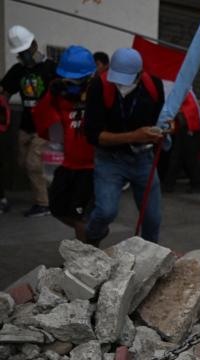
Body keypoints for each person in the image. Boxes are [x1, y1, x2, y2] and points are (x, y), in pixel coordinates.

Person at [84, 47, 165, 245]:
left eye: (126, 79)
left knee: (152, 218)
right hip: (109, 160)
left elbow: (159, 121)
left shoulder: (153, 86)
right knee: (105, 211)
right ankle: (92, 239)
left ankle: (152, 257)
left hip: (143, 160)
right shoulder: (98, 85)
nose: (120, 84)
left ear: (139, 75)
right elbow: (94, 136)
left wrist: (162, 130)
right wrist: (134, 136)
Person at [32, 46, 96, 241]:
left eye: (77, 78)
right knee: (57, 208)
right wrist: (51, 95)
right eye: (68, 78)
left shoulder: (98, 91)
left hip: (91, 166)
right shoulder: (59, 93)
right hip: (67, 162)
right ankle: (91, 234)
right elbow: (43, 120)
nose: (72, 82)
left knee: (79, 216)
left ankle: (84, 258)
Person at [0, 25, 56, 217]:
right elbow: (5, 92)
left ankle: (43, 204)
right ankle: (49, 190)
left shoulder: (50, 69)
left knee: (33, 164)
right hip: (25, 123)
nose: (23, 56)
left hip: (45, 125)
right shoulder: (18, 71)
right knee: (23, 163)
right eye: (20, 53)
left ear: (34, 45)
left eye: (25, 51)